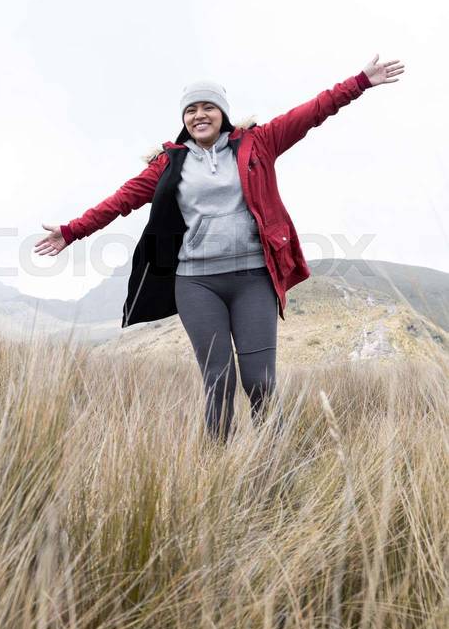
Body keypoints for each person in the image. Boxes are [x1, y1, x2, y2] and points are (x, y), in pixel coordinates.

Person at [34, 54, 405, 443]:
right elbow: (119, 202)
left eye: (207, 107)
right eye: (190, 110)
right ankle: (216, 467)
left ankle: (271, 462)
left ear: (223, 113)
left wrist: (360, 82)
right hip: (197, 283)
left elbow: (311, 112)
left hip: (253, 280)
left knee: (260, 381)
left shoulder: (259, 143)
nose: (199, 115)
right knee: (218, 380)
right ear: (183, 120)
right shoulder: (168, 164)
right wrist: (72, 231)